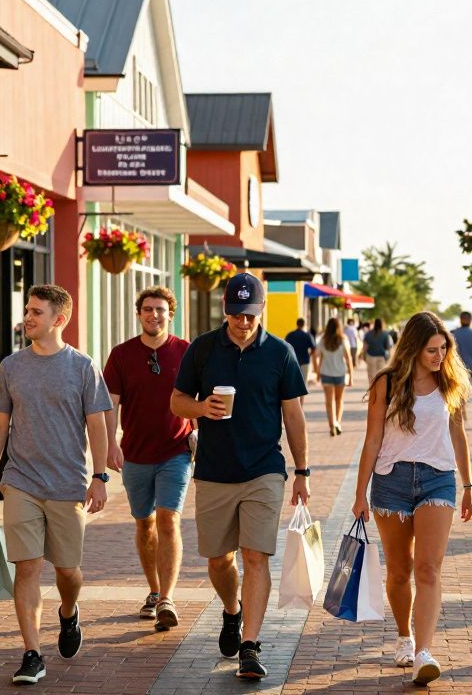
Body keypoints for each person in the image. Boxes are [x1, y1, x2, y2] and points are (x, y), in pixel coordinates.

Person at [170, 272, 310, 681]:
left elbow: (294, 415)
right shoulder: (203, 349)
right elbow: (177, 401)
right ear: (225, 310)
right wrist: (201, 409)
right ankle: (232, 611)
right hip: (214, 470)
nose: (243, 322)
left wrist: (301, 471)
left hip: (264, 470)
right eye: (235, 314)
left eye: (249, 315)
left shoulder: (280, 353)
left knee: (256, 556)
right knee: (218, 560)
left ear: (261, 309)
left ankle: (250, 644)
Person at [0, 285, 112, 686]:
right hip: (20, 481)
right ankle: (32, 653)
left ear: (60, 319)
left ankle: (68, 613)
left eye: (36, 312)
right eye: (28, 311)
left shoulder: (83, 366)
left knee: (68, 571)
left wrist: (100, 476)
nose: (28, 318)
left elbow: (97, 424)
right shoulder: (11, 367)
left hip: (68, 483)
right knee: (28, 567)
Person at [352, 312, 472, 686]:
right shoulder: (387, 384)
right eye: (432, 350)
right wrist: (359, 494)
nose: (440, 356)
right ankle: (404, 637)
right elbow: (372, 440)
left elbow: (459, 436)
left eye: (444, 349)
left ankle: (423, 652)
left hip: (439, 479)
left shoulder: (450, 383)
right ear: (413, 348)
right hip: (392, 481)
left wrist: (468, 486)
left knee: (428, 569)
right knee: (400, 570)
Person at [102, 286, 193, 633]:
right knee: (145, 523)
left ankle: (167, 598)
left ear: (171, 314)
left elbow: (199, 397)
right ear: (138, 314)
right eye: (147, 309)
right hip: (136, 454)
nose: (153, 315)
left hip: (176, 451)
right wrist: (111, 443)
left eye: (160, 310)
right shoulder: (122, 355)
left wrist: (199, 431)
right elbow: (110, 403)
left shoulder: (186, 352)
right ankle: (154, 591)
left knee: (169, 519)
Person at [314, 317, 354, 436]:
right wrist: (351, 376)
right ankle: (337, 423)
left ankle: (332, 425)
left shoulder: (323, 340)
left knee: (329, 402)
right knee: (339, 400)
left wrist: (317, 372)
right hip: (340, 373)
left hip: (326, 373)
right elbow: (348, 359)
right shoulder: (343, 340)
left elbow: (316, 356)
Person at [451, 311, 472, 383]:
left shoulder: (452, 334)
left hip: (455, 369)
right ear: (471, 320)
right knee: (470, 392)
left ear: (460, 319)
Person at [284, 318, 316, 390]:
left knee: (293, 383)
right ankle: (301, 401)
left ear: (297, 324)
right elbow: (314, 348)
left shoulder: (290, 335)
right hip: (305, 361)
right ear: (304, 324)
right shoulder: (308, 335)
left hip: (292, 361)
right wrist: (309, 355)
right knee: (303, 384)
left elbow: (285, 347)